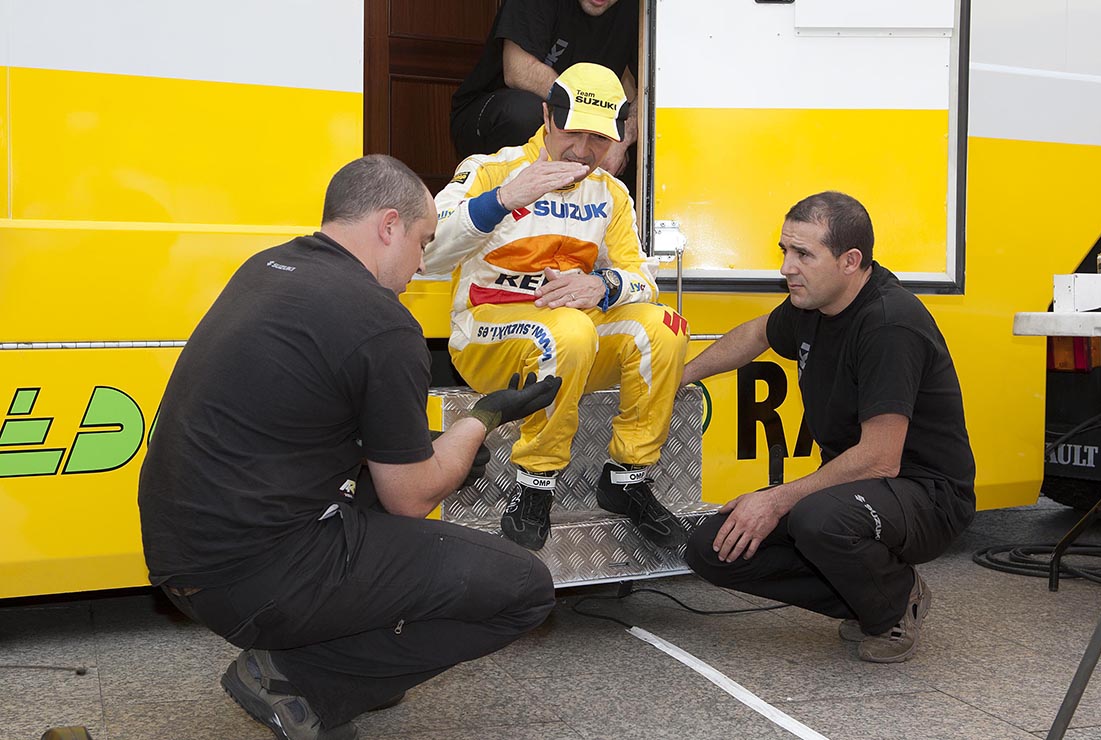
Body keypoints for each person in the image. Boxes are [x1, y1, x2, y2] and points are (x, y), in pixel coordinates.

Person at [137, 154, 563, 740]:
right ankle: (301, 680)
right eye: (422, 242)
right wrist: (481, 419)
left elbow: (310, 417)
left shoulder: (268, 267)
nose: (421, 264)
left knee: (420, 469)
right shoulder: (380, 322)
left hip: (181, 557)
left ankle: (342, 658)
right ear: (388, 225)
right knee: (523, 589)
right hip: (249, 578)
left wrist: (439, 451)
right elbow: (411, 498)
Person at [681, 192, 976, 664]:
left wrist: (774, 499)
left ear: (850, 261)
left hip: (927, 495)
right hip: (860, 487)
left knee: (818, 519)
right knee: (710, 548)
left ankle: (895, 603)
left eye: (802, 254)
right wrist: (678, 378)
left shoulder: (889, 324)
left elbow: (882, 457)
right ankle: (864, 597)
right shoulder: (811, 307)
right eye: (784, 251)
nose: (786, 267)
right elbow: (754, 336)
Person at [424, 62, 689, 553]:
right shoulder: (490, 169)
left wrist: (603, 285)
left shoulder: (611, 193)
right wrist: (503, 199)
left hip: (572, 344)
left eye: (600, 139)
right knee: (569, 329)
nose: (584, 151)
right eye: (574, 132)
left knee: (666, 326)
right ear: (547, 116)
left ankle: (627, 477)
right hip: (486, 335)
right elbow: (428, 252)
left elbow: (642, 279)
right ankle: (535, 484)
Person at [451, 0, 639, 189]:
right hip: (490, 114)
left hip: (585, 119)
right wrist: (589, 119)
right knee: (524, 114)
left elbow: (659, 87)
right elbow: (518, 70)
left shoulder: (644, 9)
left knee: (648, 144)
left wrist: (622, 138)